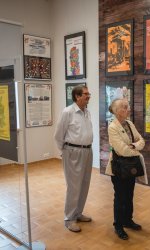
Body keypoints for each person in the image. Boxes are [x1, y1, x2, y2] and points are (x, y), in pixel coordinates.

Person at [105, 98, 147, 240]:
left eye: (127, 106)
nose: (128, 109)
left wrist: (134, 146)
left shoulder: (129, 123)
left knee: (129, 195)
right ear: (117, 111)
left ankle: (128, 220)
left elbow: (141, 140)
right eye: (124, 107)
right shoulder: (112, 127)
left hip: (131, 167)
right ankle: (118, 225)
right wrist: (135, 148)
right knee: (120, 197)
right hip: (118, 168)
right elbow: (122, 150)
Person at [54, 86, 93, 233]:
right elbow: (58, 135)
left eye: (88, 93)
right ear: (77, 96)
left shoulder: (87, 112)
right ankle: (69, 219)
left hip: (88, 151)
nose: (89, 96)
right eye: (86, 94)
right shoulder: (68, 112)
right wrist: (65, 151)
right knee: (74, 186)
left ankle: (78, 213)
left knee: (84, 184)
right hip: (73, 152)